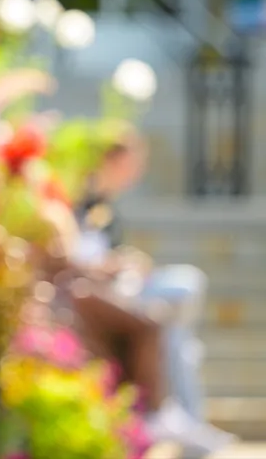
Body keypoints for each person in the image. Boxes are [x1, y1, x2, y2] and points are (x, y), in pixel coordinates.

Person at [52, 133, 235, 456]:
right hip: (98, 289)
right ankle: (173, 418)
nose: (137, 171)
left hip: (118, 284)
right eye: (132, 162)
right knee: (177, 310)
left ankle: (179, 419)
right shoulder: (79, 197)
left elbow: (105, 248)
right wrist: (113, 265)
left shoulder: (104, 202)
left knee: (181, 328)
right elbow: (75, 258)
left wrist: (127, 261)